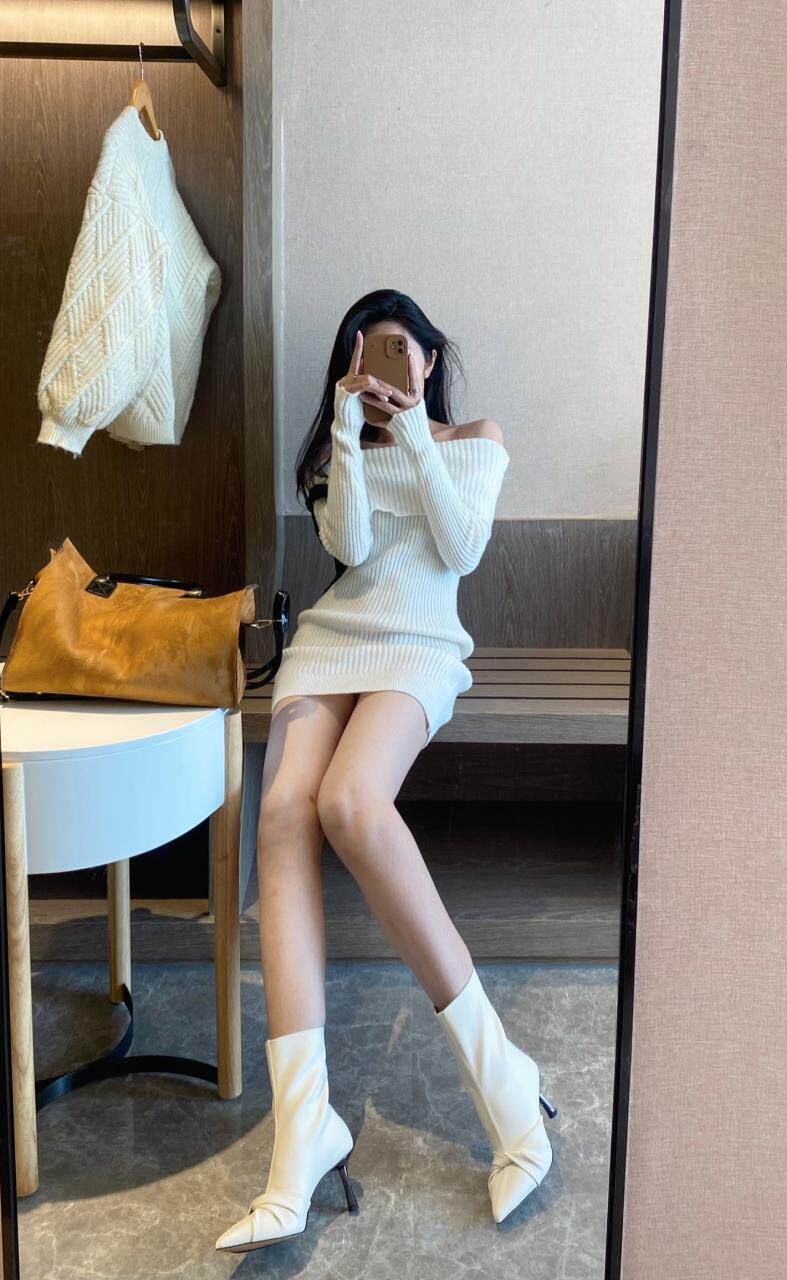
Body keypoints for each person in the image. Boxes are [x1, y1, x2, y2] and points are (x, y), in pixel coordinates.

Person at [215, 291, 558, 1253]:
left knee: (351, 803)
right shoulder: (343, 451)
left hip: (418, 645)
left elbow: (462, 547)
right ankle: (303, 1134)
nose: (388, 368)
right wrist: (346, 430)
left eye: (402, 349)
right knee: (284, 811)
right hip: (335, 642)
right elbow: (352, 550)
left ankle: (507, 1086)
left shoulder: (477, 439)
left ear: (430, 357)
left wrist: (412, 431)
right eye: (368, 355)